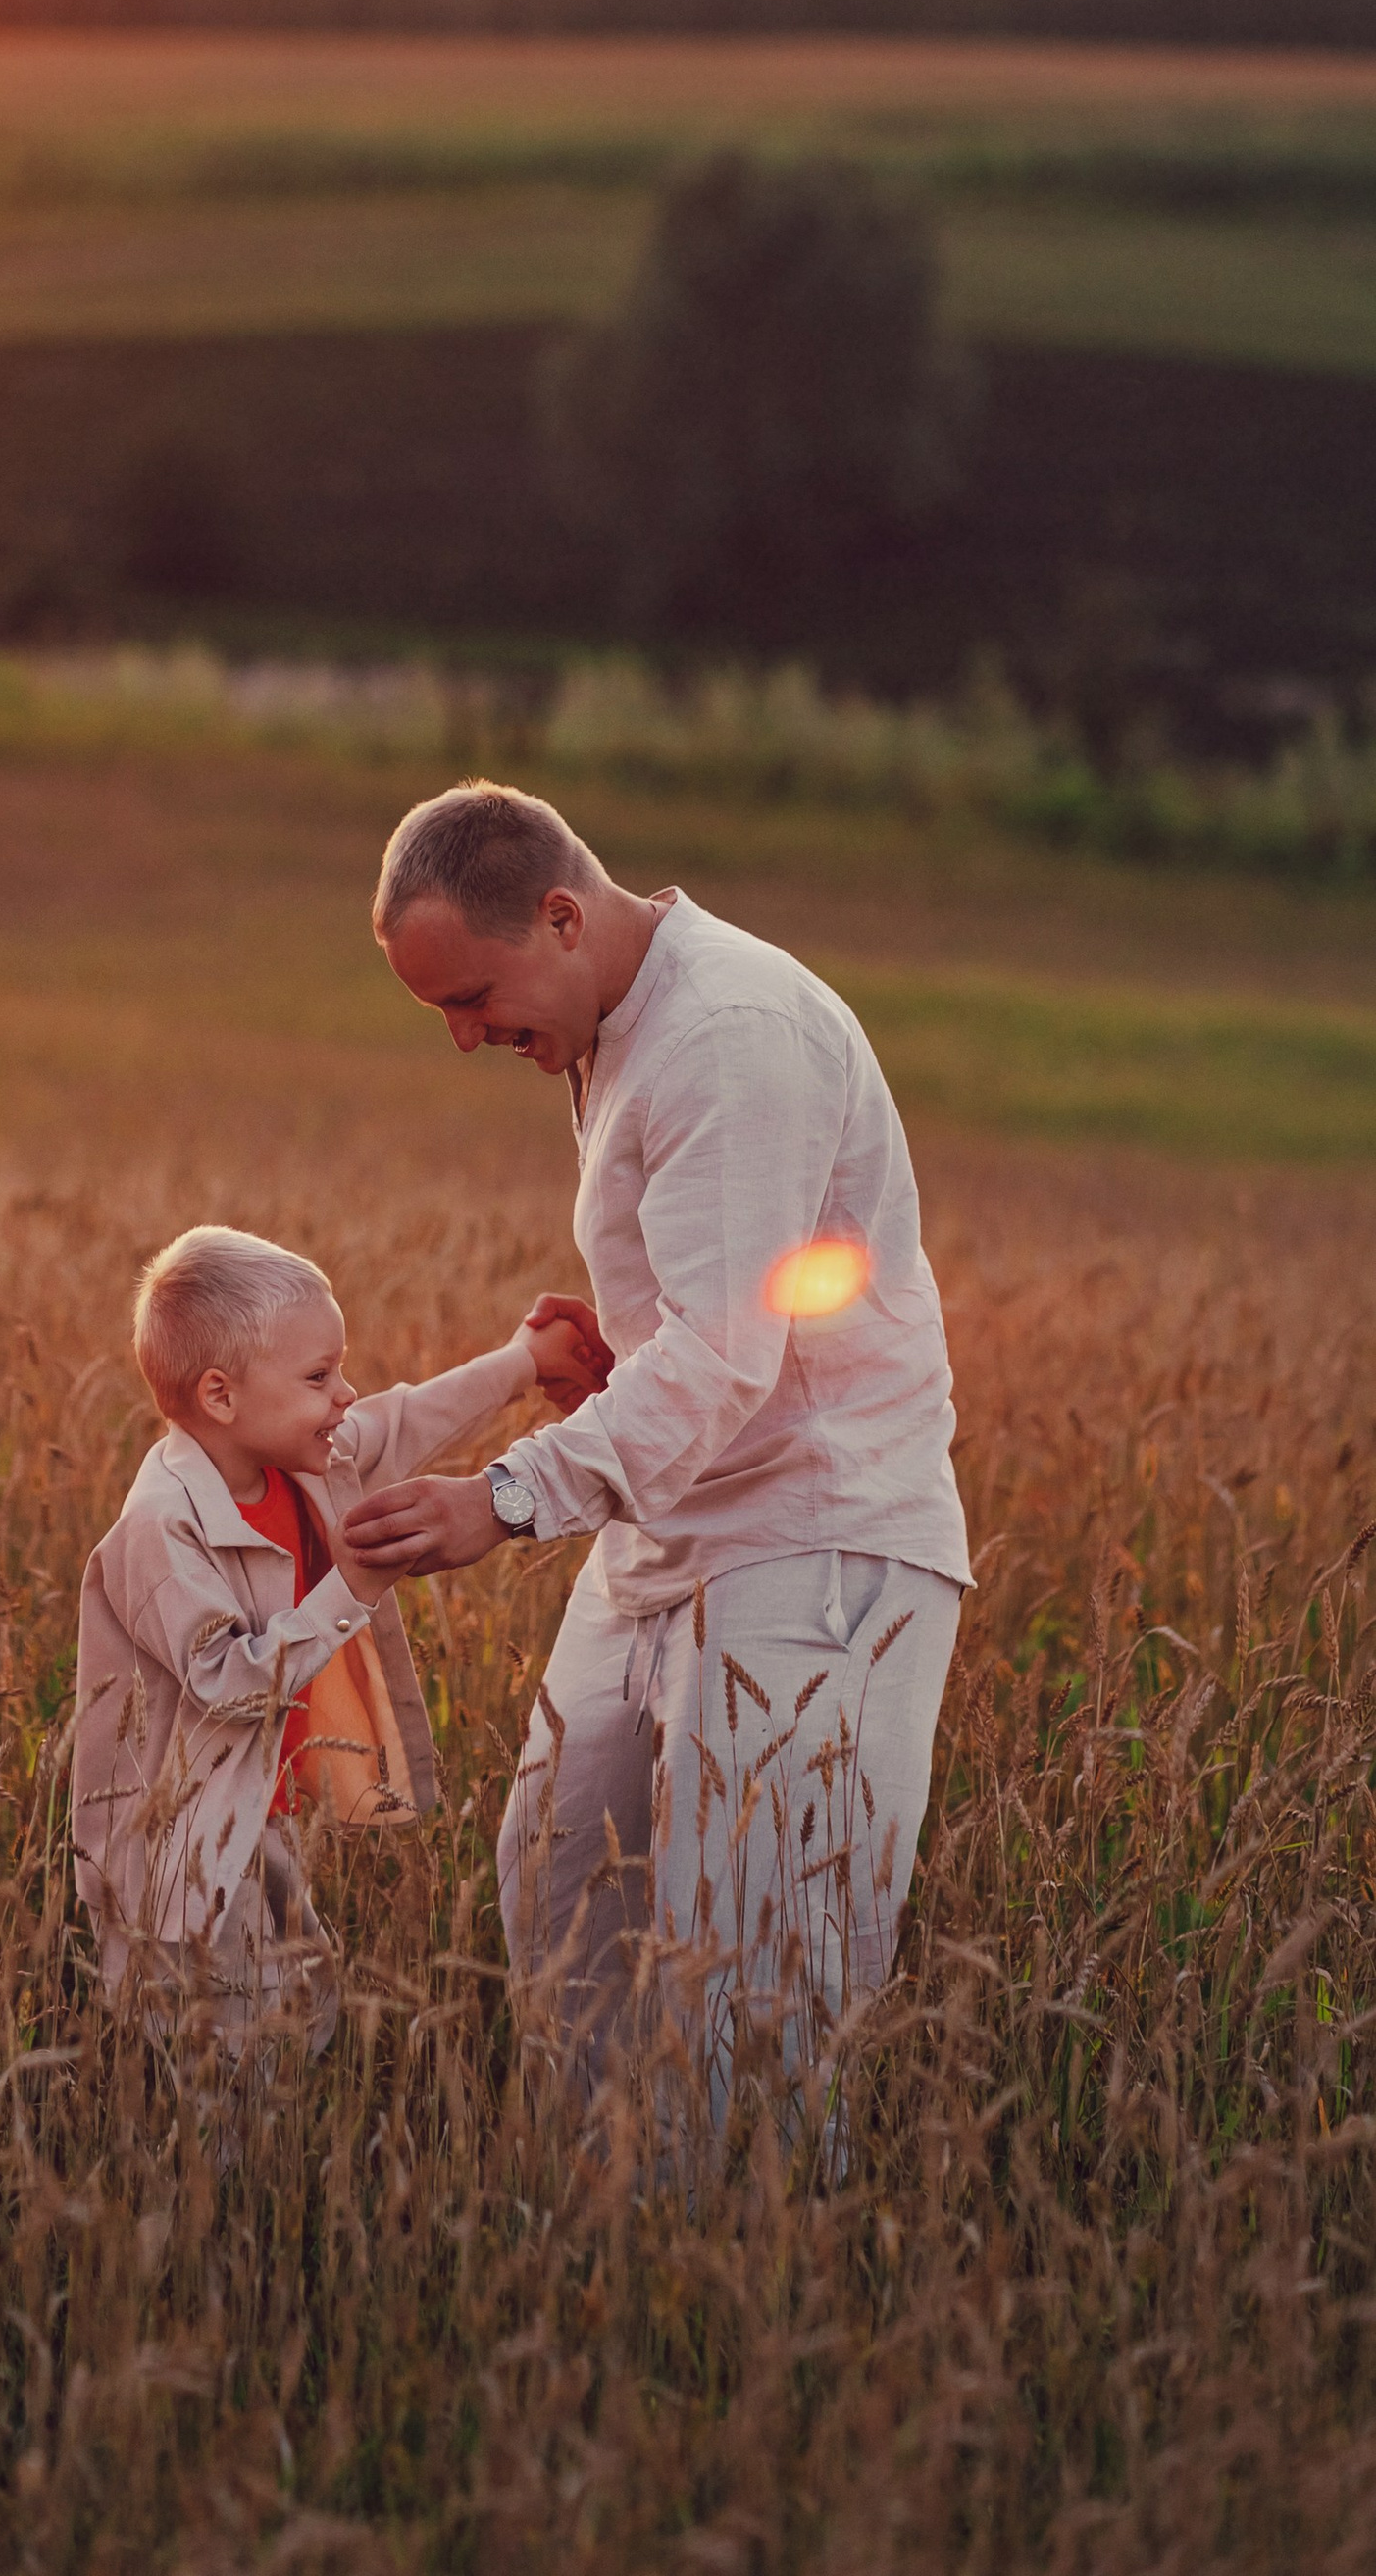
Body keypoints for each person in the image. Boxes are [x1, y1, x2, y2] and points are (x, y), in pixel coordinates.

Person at [340, 780, 970, 2135]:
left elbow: (736, 1355)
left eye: (473, 997)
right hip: (666, 1539)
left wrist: (504, 1498)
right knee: (563, 1898)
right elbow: (718, 1322)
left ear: (564, 916)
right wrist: (615, 1368)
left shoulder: (729, 1036)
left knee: (762, 1984)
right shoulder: (613, 1024)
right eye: (438, 1011)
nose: (462, 1040)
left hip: (817, 1548)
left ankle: (737, 2301)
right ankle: (603, 2275)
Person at [72, 1221, 607, 2049]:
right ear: (222, 1396)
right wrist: (351, 1587)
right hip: (178, 1843)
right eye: (320, 1375)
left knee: (296, 2002)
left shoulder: (290, 1456)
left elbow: (403, 1420)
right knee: (215, 2038)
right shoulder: (163, 1529)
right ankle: (215, 2172)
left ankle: (261, 2150)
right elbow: (226, 1680)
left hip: (259, 1809)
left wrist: (523, 1364)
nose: (346, 1393)